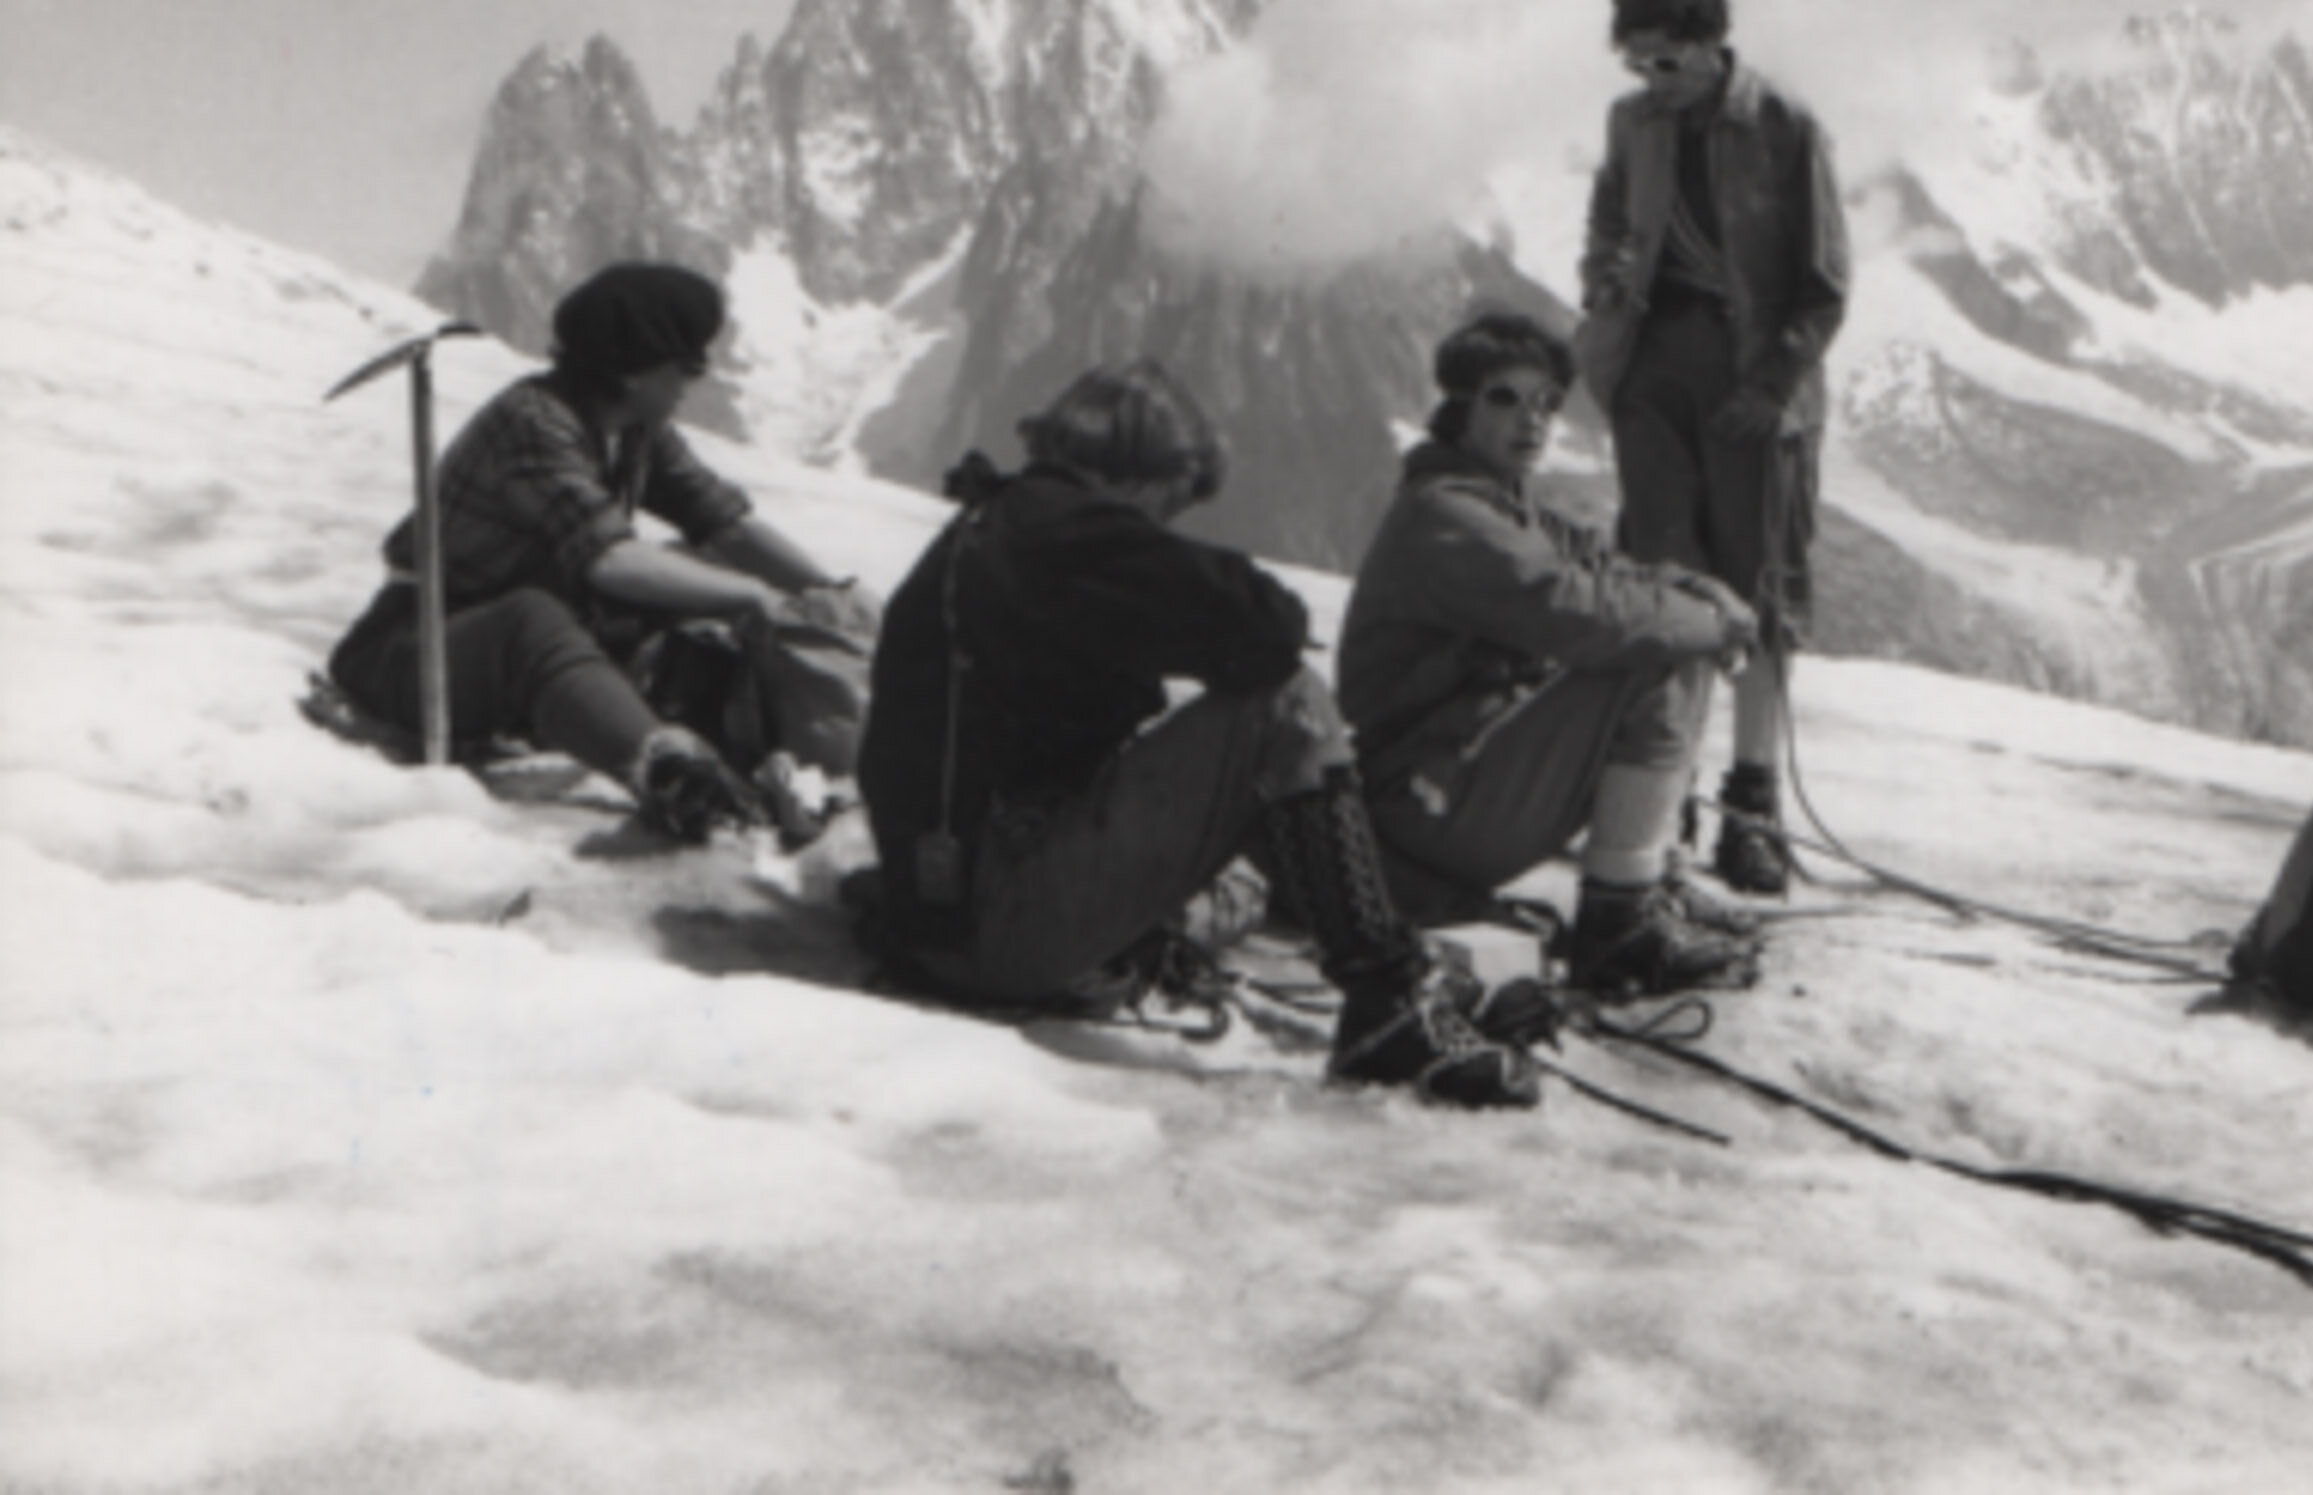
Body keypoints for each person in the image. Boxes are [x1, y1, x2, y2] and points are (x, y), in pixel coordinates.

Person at [856, 359, 1539, 1109]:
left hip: (937, 918)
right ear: (1148, 474)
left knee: (1242, 841)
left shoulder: (998, 525)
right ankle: (1388, 1001)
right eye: (1172, 506)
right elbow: (1267, 625)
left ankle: (1385, 953)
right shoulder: (1070, 533)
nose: (1163, 530)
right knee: (1282, 701)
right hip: (999, 930)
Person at [328, 262, 875, 843]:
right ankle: (673, 774)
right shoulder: (533, 423)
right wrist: (756, 596)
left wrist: (828, 594)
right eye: (687, 366)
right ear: (635, 370)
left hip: (530, 640)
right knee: (531, 618)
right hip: (417, 648)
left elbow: (725, 525)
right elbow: (611, 563)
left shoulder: (634, 428)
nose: (693, 383)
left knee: (697, 570)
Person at [1338, 311, 1764, 998]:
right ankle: (1621, 924)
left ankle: (1648, 884)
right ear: (1460, 406)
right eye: (1506, 397)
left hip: (1451, 783)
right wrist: (1713, 621)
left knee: (1668, 625)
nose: (1531, 420)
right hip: (1425, 803)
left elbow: (1606, 569)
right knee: (1658, 649)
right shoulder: (1450, 516)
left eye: (1546, 403)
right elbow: (1578, 607)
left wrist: (1694, 590)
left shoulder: (1504, 507)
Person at [1574, 0, 1850, 894]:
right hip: (1654, 366)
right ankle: (1665, 792)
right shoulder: (1635, 120)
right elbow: (1611, 208)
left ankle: (1754, 802)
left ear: (1706, 43)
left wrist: (1772, 388)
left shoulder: (1785, 123)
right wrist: (1606, 277)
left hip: (1754, 385)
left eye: (1665, 59)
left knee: (1759, 591)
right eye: (1637, 61)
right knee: (1661, 577)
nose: (1651, 77)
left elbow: (1825, 284)